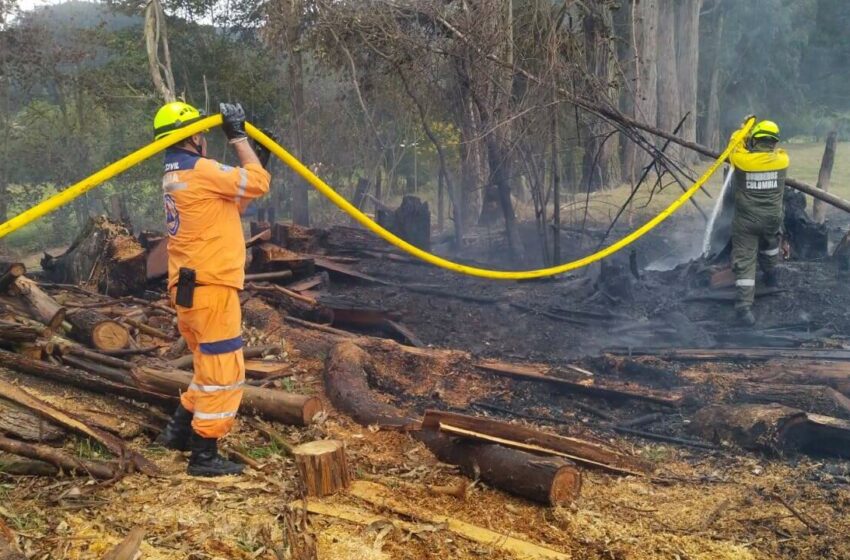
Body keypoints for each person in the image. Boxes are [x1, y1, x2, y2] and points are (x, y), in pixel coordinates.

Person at [152, 101, 271, 476]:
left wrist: (257, 156)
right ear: (192, 136)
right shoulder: (201, 171)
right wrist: (238, 138)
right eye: (201, 133)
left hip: (189, 288)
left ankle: (176, 433)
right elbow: (258, 183)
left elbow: (238, 201)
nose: (204, 138)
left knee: (207, 365)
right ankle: (204, 455)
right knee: (224, 371)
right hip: (210, 287)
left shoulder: (176, 176)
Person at [728, 118, 790, 326]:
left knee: (745, 260)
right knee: (770, 245)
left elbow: (734, 146)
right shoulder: (782, 160)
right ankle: (771, 275)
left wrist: (743, 129)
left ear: (754, 140)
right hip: (772, 219)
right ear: (774, 142)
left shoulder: (742, 160)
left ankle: (744, 308)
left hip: (746, 222)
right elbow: (777, 152)